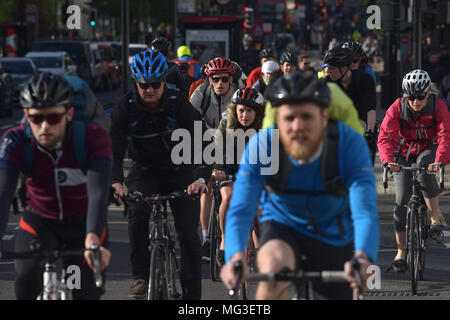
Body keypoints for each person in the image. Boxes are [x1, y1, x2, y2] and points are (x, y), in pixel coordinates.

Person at [220, 73, 379, 300]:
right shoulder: (263, 145)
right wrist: (235, 257)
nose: (297, 126)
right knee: (274, 273)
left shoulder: (349, 144)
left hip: (332, 233)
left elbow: (364, 211)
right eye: (289, 118)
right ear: (277, 120)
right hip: (281, 225)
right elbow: (241, 208)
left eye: (306, 117)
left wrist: (364, 257)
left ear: (324, 117)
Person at [0, 72, 112, 300]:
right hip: (39, 222)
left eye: (53, 118)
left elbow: (98, 191)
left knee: (85, 290)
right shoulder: (15, 141)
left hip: (84, 224)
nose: (44, 126)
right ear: (25, 115)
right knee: (25, 278)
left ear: (69, 113)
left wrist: (92, 238)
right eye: (36, 118)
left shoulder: (92, 138)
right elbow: (3, 193)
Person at [110, 49, 210, 299]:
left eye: (155, 84)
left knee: (188, 233)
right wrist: (115, 181)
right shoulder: (126, 106)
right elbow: (113, 149)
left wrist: (200, 178)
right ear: (136, 84)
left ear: (164, 82)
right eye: (144, 85)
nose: (150, 90)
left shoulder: (179, 104)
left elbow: (205, 144)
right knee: (137, 212)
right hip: (144, 172)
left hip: (180, 172)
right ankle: (141, 277)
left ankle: (191, 298)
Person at [378, 69, 450, 273]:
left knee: (424, 169)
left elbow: (446, 135)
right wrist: (388, 161)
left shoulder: (439, 105)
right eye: (411, 97)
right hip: (404, 149)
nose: (415, 102)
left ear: (428, 93)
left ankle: (434, 217)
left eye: (420, 97)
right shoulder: (396, 108)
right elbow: (385, 136)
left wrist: (439, 161)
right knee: (401, 200)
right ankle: (401, 252)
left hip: (429, 148)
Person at [190, 57, 237, 261]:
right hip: (205, 141)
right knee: (206, 186)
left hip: (232, 142)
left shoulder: (237, 94)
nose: (220, 84)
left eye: (224, 79)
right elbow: (189, 121)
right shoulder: (200, 93)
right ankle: (205, 237)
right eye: (215, 79)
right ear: (209, 80)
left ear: (230, 80)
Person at [212, 88, 265, 267]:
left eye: (249, 111)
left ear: (257, 112)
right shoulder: (226, 123)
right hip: (230, 170)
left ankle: (260, 250)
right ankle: (225, 241)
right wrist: (217, 169)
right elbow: (216, 150)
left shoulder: (266, 126)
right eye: (241, 110)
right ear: (235, 110)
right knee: (227, 198)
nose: (244, 115)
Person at [323, 47, 376, 135]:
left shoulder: (365, 79)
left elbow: (370, 108)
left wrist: (370, 130)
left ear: (343, 68)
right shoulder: (327, 82)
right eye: (327, 67)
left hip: (360, 123)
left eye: (332, 68)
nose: (328, 71)